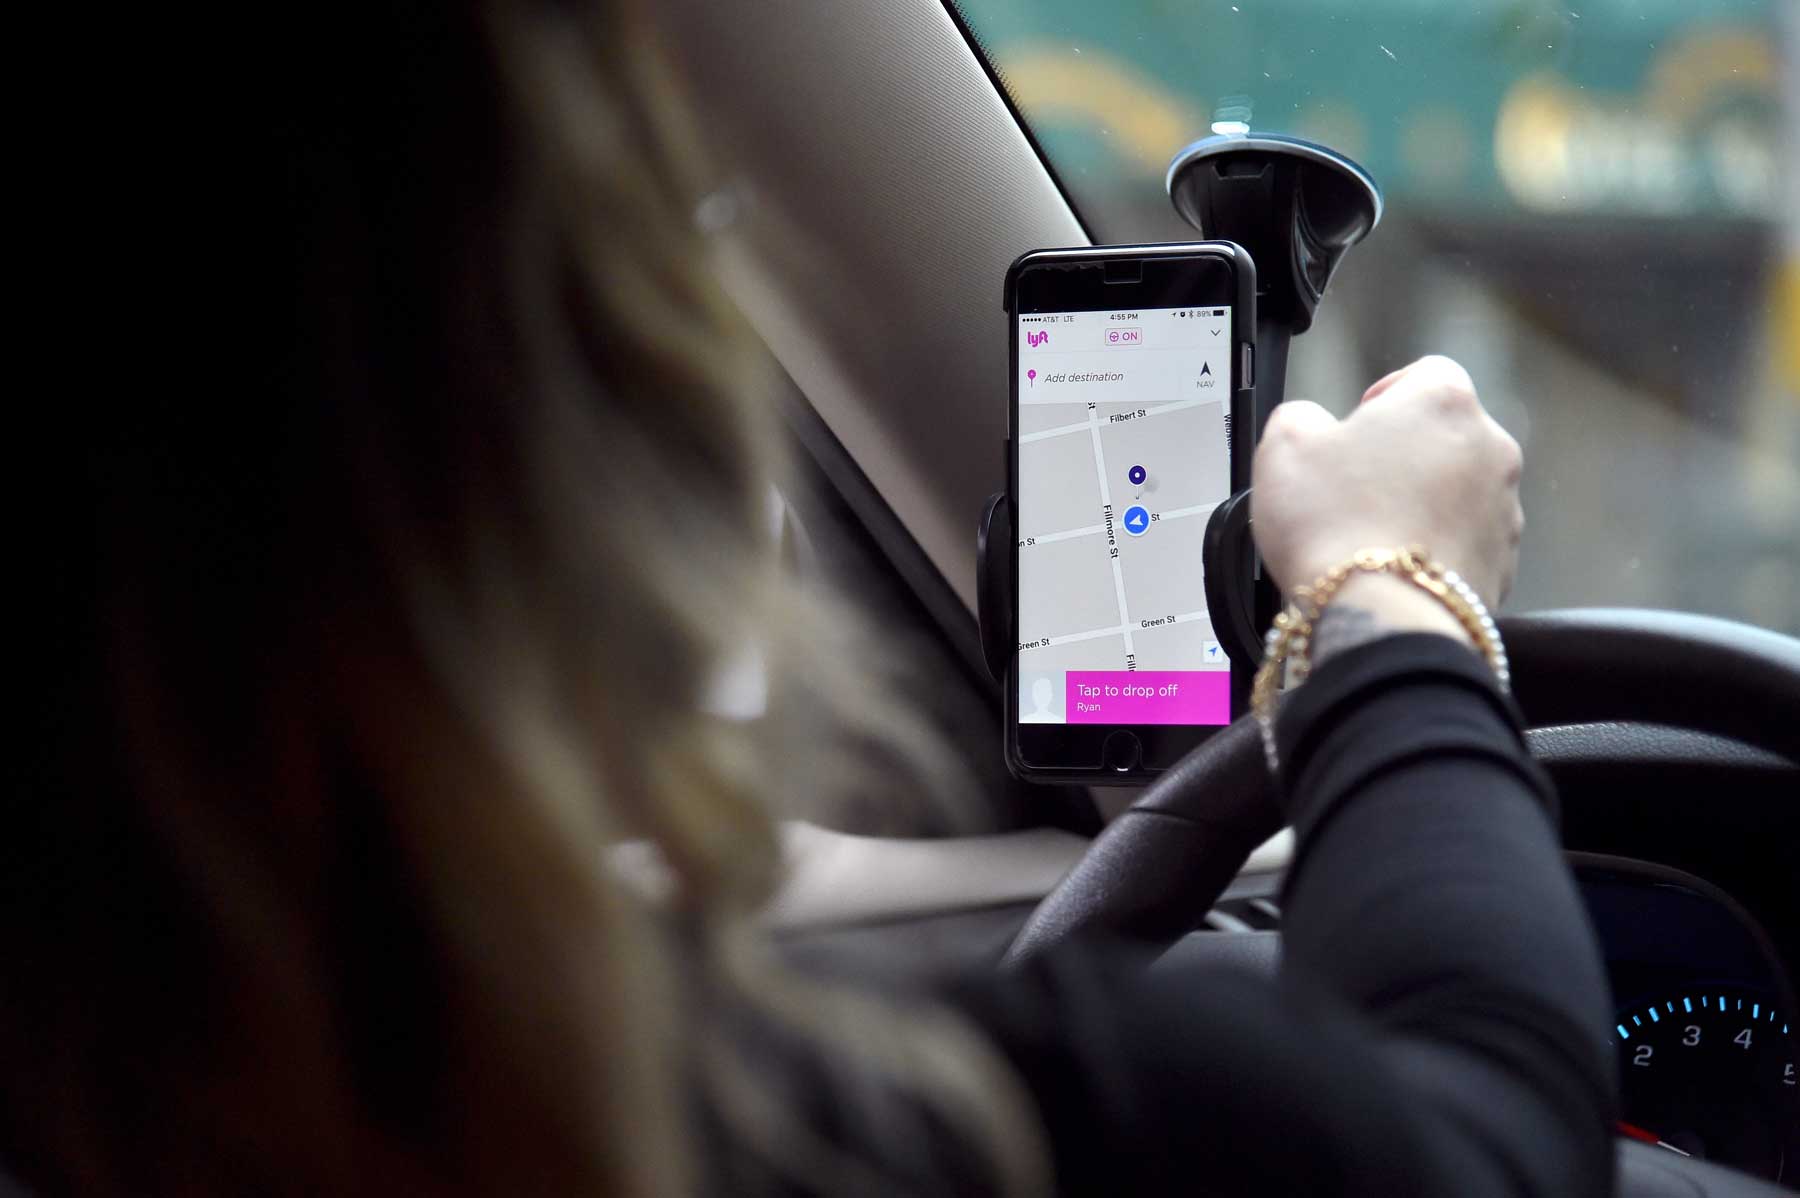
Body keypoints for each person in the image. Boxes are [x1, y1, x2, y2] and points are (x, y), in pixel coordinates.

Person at [2, 1, 1614, 1194]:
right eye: (681, 227)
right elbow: (1495, 1143)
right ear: (526, 409)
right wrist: (1392, 585)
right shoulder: (777, 1132)